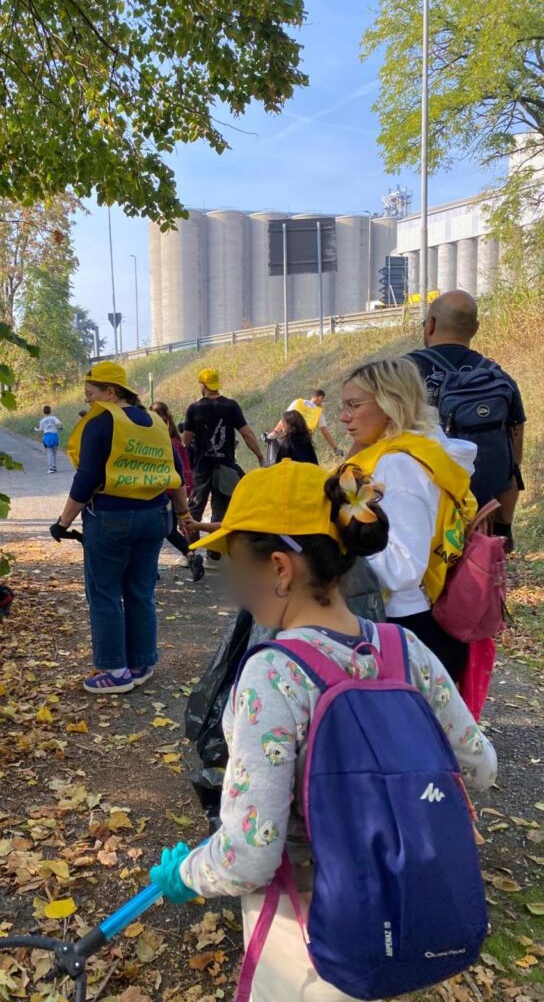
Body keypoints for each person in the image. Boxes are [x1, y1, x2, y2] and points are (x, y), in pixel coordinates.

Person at [149, 461, 496, 1002]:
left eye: (235, 566)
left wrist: (189, 873)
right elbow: (480, 767)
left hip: (310, 925)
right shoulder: (405, 649)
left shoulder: (273, 674)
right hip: (400, 897)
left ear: (280, 569)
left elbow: (249, 857)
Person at [50, 362, 193, 694]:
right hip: (154, 517)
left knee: (104, 594)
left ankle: (114, 671)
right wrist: (184, 514)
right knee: (141, 591)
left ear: (110, 392)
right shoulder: (156, 422)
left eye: (91, 393)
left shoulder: (100, 422)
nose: (87, 400)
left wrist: (63, 522)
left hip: (111, 519)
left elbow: (87, 478)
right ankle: (141, 664)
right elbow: (174, 475)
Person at [340, 358, 477, 681]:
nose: (344, 416)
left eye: (354, 405)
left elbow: (403, 568)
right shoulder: (427, 449)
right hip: (423, 615)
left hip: (401, 625)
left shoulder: (398, 465)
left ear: (392, 403)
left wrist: (336, 555)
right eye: (343, 406)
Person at [408, 290, 526, 550]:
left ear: (430, 324)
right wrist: (503, 527)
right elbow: (512, 461)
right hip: (481, 514)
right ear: (475, 329)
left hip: (420, 513)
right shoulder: (498, 378)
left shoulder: (401, 373)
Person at [183, 368, 266, 564]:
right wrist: (260, 456)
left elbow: (186, 440)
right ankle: (214, 553)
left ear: (202, 385)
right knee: (220, 508)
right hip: (225, 465)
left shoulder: (194, 408)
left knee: (195, 508)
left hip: (202, 466)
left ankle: (192, 552)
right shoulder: (231, 406)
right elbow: (246, 433)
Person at [150, 401, 204, 582]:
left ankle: (150, 567)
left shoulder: (165, 442)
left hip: (164, 491)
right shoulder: (176, 440)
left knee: (157, 529)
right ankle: (190, 556)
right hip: (174, 491)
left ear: (165, 416)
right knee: (168, 529)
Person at [286, 389, 343, 456]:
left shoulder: (298, 402)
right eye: (323, 400)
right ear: (320, 398)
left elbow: (284, 418)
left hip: (289, 436)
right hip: (304, 440)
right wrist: (335, 448)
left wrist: (276, 431)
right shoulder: (318, 412)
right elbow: (325, 432)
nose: (322, 402)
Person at [37, 405, 65, 473]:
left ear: (43, 412)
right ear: (50, 411)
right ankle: (54, 466)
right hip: (54, 436)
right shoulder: (54, 418)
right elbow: (60, 424)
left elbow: (41, 430)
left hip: (47, 436)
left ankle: (51, 468)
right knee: (54, 452)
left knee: (49, 453)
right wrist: (61, 428)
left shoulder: (42, 421)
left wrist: (40, 430)